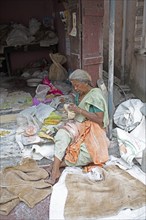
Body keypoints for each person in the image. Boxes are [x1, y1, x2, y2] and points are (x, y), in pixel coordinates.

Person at [46, 69, 110, 185]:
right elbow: (79, 114)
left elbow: (99, 120)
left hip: (94, 128)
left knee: (91, 154)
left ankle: (58, 164)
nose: (75, 88)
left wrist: (79, 110)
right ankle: (55, 171)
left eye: (77, 85)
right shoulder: (79, 94)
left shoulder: (95, 95)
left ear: (86, 83)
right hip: (80, 126)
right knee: (61, 135)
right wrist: (72, 110)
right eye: (73, 85)